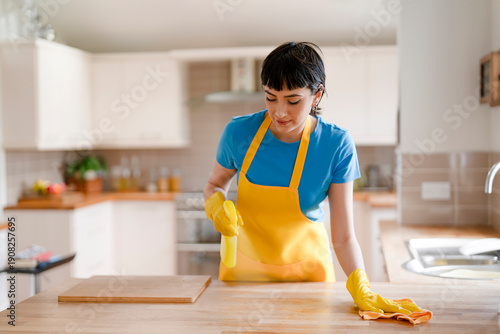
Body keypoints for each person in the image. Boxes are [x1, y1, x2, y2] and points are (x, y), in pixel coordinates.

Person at [204, 42, 421, 315]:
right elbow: (215, 185)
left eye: (293, 100)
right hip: (244, 279)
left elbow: (343, 237)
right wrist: (215, 206)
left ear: (316, 95)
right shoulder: (238, 133)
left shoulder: (335, 144)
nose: (279, 112)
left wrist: (361, 285)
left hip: (308, 282)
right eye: (271, 97)